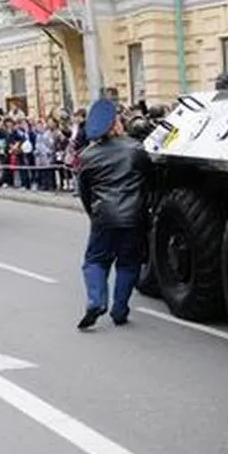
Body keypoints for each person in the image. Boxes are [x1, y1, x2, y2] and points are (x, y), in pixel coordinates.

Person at [75, 98, 151, 330]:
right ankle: (120, 310)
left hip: (103, 217)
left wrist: (94, 213)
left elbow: (84, 192)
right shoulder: (135, 150)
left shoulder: (87, 156)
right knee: (129, 264)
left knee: (95, 261)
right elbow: (150, 181)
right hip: (134, 217)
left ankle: (96, 301)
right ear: (115, 124)